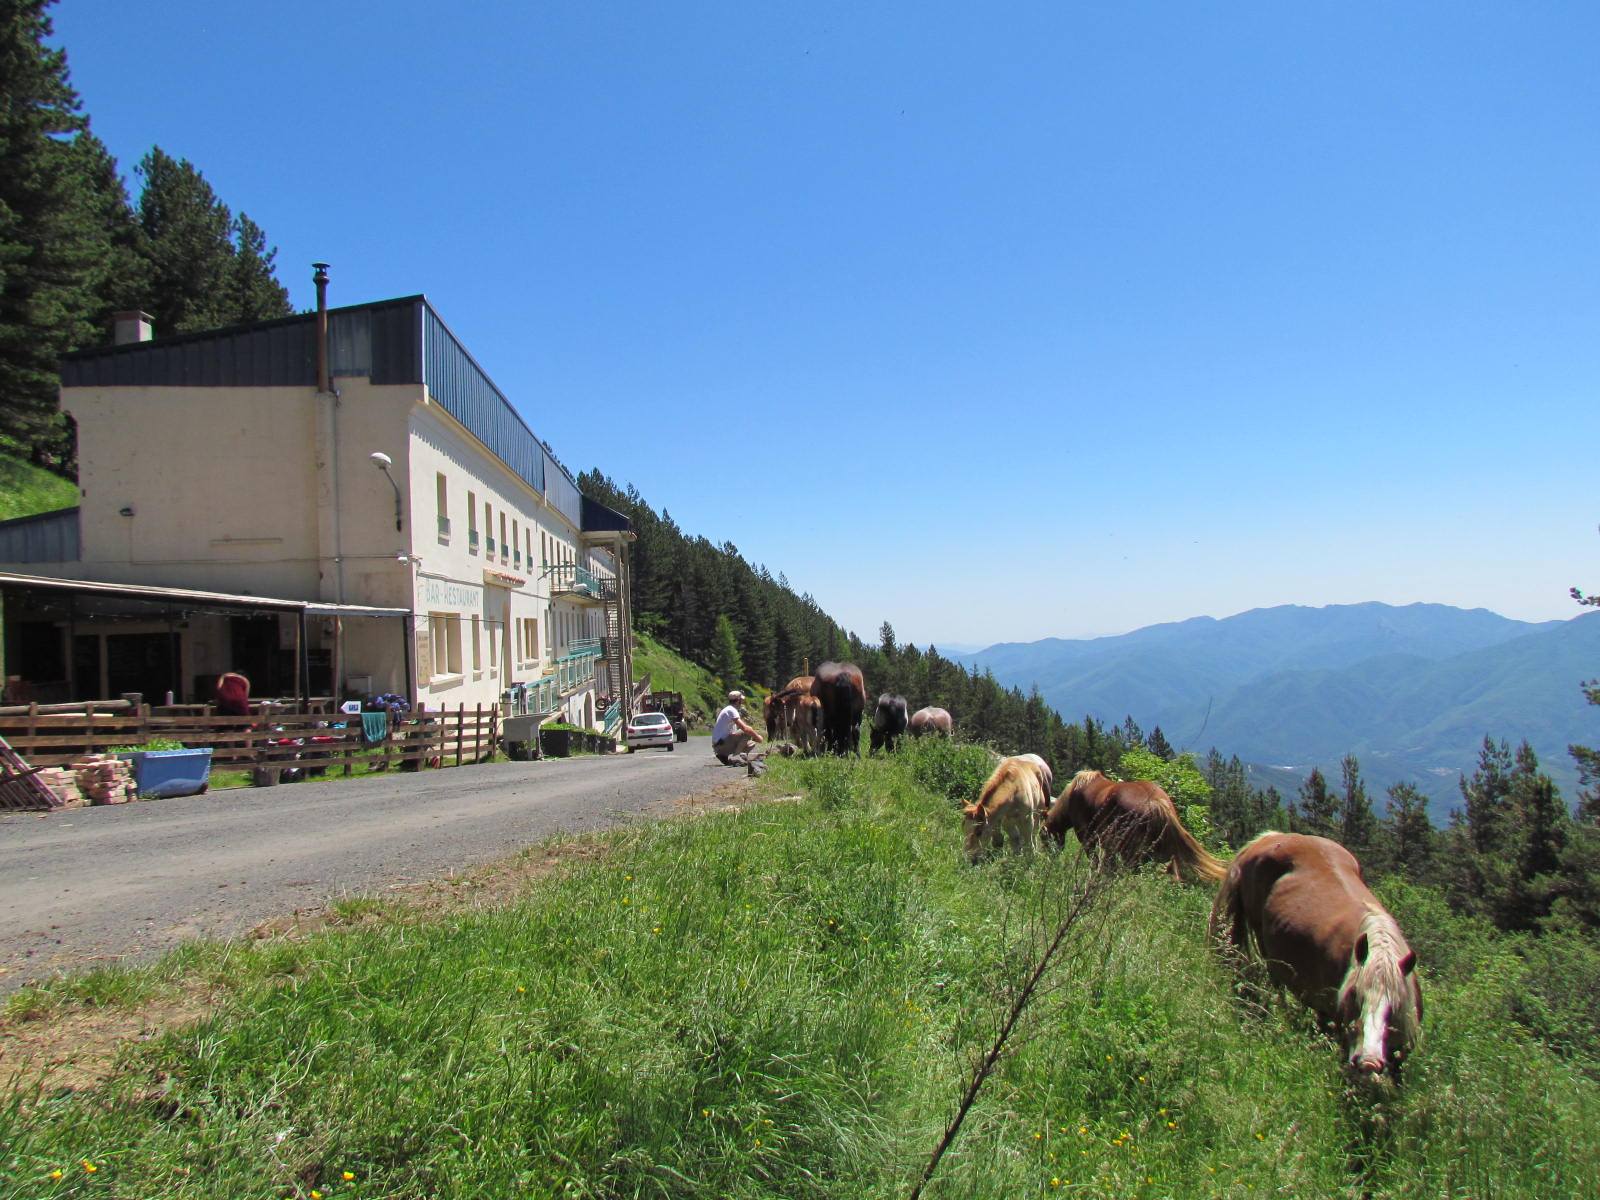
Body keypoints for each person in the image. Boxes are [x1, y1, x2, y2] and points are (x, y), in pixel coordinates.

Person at [711, 690, 763, 765]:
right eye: (741, 700)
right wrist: (758, 737)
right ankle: (735, 757)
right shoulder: (731, 710)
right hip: (720, 745)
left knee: (751, 744)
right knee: (746, 732)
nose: (742, 703)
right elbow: (745, 729)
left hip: (720, 744)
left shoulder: (729, 709)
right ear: (738, 701)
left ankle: (727, 756)